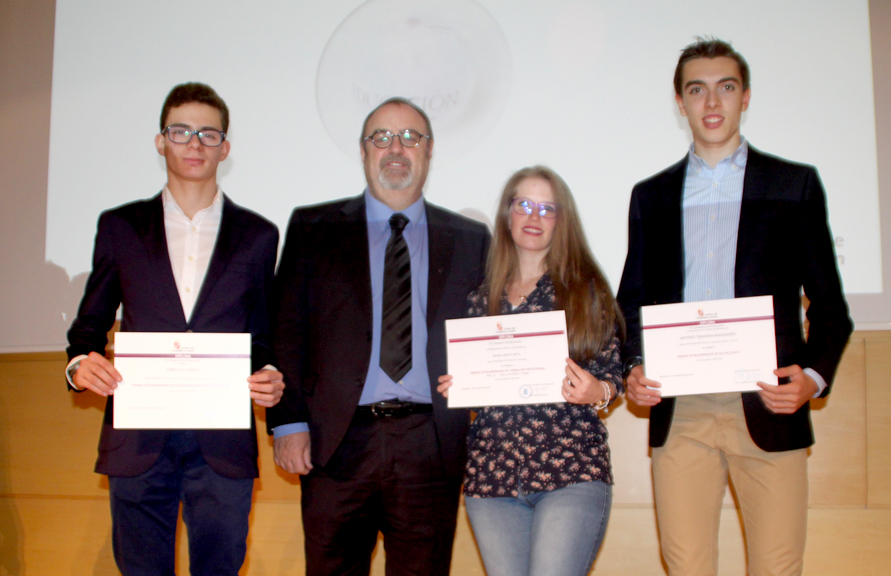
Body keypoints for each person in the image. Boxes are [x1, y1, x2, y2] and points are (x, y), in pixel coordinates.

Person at [616, 38, 853, 576]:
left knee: (777, 567)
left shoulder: (794, 184)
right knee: (687, 567)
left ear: (745, 96)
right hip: (682, 410)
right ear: (680, 103)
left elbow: (831, 306)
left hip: (770, 402)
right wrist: (633, 366)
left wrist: (813, 378)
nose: (712, 102)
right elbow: (632, 300)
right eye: (696, 90)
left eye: (725, 87)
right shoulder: (650, 196)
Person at [64, 82, 283, 575]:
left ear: (225, 148)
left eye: (209, 134)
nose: (195, 144)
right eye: (181, 131)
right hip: (139, 437)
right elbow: (89, 326)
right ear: (160, 141)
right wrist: (80, 365)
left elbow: (262, 335)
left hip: (222, 442)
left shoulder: (258, 234)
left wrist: (268, 372)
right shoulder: (121, 226)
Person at [268, 97, 490, 576]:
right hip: (335, 442)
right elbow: (286, 330)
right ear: (363, 151)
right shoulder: (313, 227)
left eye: (411, 137)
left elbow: (490, 333)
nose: (396, 148)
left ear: (429, 152)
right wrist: (288, 423)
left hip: (430, 442)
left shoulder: (472, 239)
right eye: (382, 137)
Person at [437, 166, 624, 576]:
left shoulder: (584, 289)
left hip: (570, 472)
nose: (534, 217)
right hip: (492, 480)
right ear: (507, 214)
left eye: (547, 208)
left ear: (562, 220)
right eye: (524, 204)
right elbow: (467, 384)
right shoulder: (477, 298)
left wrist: (600, 391)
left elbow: (613, 372)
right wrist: (459, 387)